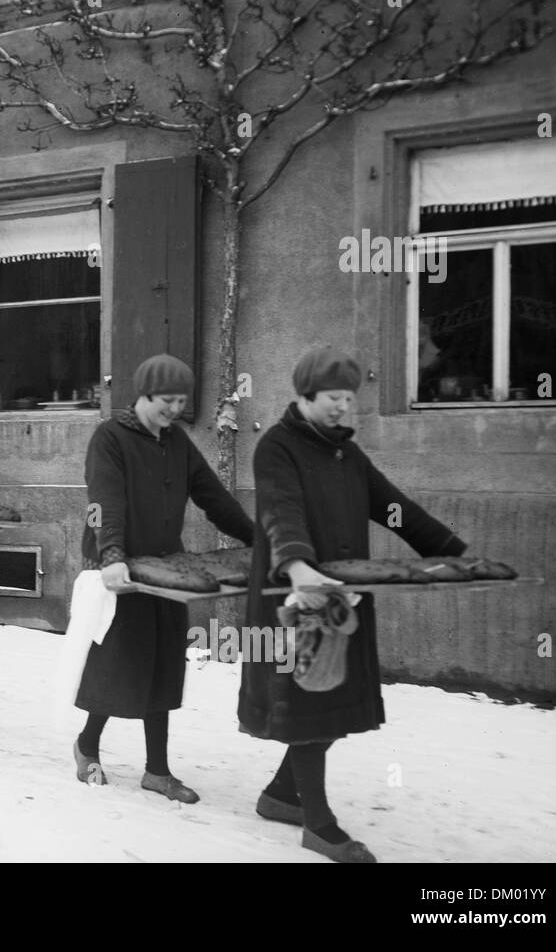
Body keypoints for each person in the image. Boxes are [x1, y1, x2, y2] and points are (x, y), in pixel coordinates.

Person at [237, 347, 469, 863]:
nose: (344, 407)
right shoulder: (276, 448)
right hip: (295, 598)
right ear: (305, 396)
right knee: (311, 708)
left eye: (349, 398)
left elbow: (394, 508)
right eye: (334, 398)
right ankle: (318, 825)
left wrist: (454, 553)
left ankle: (280, 796)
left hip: (342, 602)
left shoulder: (346, 454)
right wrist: (298, 567)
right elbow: (282, 513)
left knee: (330, 704)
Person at [77, 354, 254, 802]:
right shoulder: (110, 438)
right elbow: (102, 503)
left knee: (162, 666)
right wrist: (112, 555)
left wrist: (261, 539)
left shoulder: (177, 443)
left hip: (166, 569)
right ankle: (87, 745)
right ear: (143, 394)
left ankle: (157, 770)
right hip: (120, 570)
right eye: (167, 400)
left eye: (181, 400)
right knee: (118, 663)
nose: (174, 409)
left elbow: (215, 498)